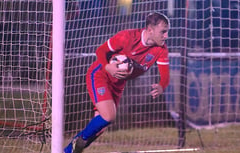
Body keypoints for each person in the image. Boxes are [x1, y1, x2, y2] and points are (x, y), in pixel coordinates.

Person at [64, 12, 170, 153]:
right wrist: (108, 66)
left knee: (101, 126)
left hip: (118, 84)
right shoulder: (127, 37)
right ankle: (70, 148)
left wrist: (162, 86)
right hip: (100, 74)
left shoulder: (161, 50)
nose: (166, 36)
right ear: (150, 29)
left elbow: (165, 76)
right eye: (163, 32)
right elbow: (101, 51)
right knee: (109, 116)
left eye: (167, 32)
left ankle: (73, 149)